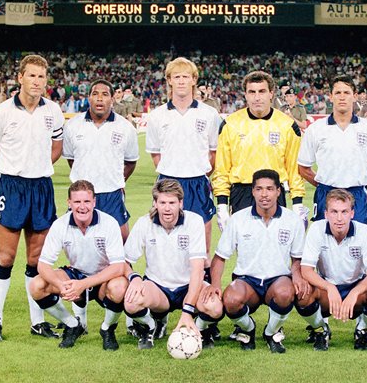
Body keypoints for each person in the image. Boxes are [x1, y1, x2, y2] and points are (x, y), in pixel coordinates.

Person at [0, 54, 64, 342]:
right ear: (20, 78)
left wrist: (39, 167)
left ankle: (37, 322)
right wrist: (12, 173)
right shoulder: (1, 112)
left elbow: (57, 145)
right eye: (32, 76)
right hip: (12, 187)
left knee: (36, 259)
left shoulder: (52, 110)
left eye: (41, 77)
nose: (37, 82)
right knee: (6, 257)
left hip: (41, 186)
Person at [145, 57, 222, 338]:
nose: (180, 81)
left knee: (199, 255)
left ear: (194, 80)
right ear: (168, 81)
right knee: (164, 250)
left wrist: (195, 172)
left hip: (197, 184)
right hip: (167, 184)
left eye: (185, 77)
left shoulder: (209, 114)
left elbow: (213, 153)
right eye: (175, 77)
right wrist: (172, 173)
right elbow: (155, 154)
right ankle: (161, 312)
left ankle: (203, 321)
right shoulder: (156, 116)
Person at [62, 79, 138, 331]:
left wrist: (112, 182)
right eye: (95, 93)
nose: (99, 98)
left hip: (112, 197)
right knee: (78, 255)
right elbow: (72, 159)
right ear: (89, 97)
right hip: (83, 199)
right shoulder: (73, 126)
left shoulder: (125, 127)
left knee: (123, 255)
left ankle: (131, 316)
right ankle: (79, 319)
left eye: (105, 94)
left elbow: (130, 162)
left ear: (112, 99)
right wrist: (87, 189)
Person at [208, 169, 311, 353]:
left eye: (270, 189)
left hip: (278, 280)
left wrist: (297, 275)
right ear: (253, 191)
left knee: (286, 293)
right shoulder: (238, 219)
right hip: (247, 281)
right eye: (259, 189)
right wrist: (215, 284)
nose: (264, 194)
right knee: (230, 299)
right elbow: (220, 257)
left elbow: (297, 258)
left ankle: (271, 332)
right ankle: (248, 329)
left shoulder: (292, 220)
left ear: (279, 191)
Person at [123, 179, 223, 350]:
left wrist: (188, 311)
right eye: (162, 202)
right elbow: (124, 261)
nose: (167, 208)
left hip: (188, 285)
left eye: (172, 203)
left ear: (181, 203)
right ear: (155, 203)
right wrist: (134, 278)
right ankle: (152, 326)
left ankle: (199, 329)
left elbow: (198, 270)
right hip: (157, 287)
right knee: (131, 302)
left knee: (214, 307)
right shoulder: (144, 223)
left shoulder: (194, 221)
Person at [29, 180, 128, 350]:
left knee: (119, 287)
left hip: (103, 277)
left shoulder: (109, 223)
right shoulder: (60, 225)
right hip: (76, 273)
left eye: (86, 201)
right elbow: (43, 265)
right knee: (37, 285)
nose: (82, 207)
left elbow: (119, 266)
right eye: (77, 202)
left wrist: (83, 285)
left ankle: (107, 329)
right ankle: (73, 325)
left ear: (94, 202)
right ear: (69, 203)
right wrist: (61, 285)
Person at [213, 71, 307, 232]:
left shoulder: (287, 125)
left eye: (262, 91)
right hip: (241, 193)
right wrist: (222, 204)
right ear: (246, 95)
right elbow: (222, 168)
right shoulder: (230, 124)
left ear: (271, 93)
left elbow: (294, 169)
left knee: (276, 250)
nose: (257, 97)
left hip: (274, 192)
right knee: (245, 251)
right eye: (252, 92)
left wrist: (297, 203)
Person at [298, 75, 367, 229]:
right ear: (331, 97)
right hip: (326, 194)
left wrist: (359, 184)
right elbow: (303, 168)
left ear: (355, 96)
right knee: (324, 245)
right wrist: (324, 186)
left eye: (347, 92)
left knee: (358, 245)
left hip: (357, 196)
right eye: (338, 93)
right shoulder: (316, 129)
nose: (342, 97)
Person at [301, 189, 367, 351]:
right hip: (326, 289)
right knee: (302, 293)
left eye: (344, 212)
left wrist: (354, 293)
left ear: (352, 213)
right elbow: (306, 270)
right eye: (334, 212)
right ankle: (320, 330)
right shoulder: (317, 229)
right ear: (326, 214)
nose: (339, 218)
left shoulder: (364, 231)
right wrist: (329, 287)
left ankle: (362, 330)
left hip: (356, 289)